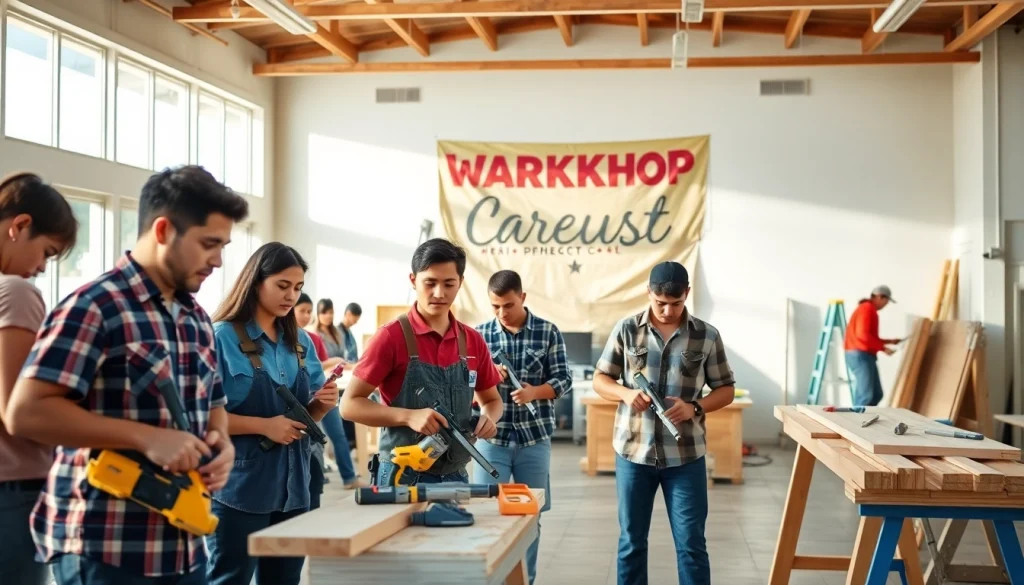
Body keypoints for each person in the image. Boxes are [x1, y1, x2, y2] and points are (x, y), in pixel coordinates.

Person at [6, 166, 247, 585]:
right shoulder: (94, 306)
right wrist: (145, 437)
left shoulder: (197, 321)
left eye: (223, 246)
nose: (218, 260)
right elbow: (25, 413)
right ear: (163, 230)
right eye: (208, 244)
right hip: (105, 546)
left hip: (185, 544)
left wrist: (222, 445)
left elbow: (215, 410)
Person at [592, 261, 736, 585]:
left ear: (687, 294)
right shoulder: (627, 329)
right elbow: (600, 379)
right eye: (660, 303)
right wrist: (626, 394)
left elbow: (726, 389)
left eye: (676, 303)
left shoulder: (707, 335)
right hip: (633, 454)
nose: (668, 311)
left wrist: (695, 407)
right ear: (648, 293)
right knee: (631, 543)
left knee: (691, 545)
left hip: (686, 458)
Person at [206, 242, 340, 585]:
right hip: (238, 490)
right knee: (229, 578)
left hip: (294, 489)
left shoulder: (301, 343)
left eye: (297, 287)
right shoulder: (221, 338)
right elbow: (201, 418)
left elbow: (302, 419)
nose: (291, 296)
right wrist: (264, 426)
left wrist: (322, 406)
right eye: (282, 285)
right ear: (255, 282)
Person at [340, 238, 504, 485]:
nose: (439, 293)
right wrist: (407, 417)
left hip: (455, 476)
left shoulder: (473, 341)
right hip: (400, 476)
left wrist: (488, 418)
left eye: (449, 284)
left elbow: (492, 400)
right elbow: (349, 405)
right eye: (430, 283)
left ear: (460, 283)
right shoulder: (390, 337)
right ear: (413, 280)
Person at [0, 173, 77, 585]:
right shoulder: (16, 291)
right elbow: (19, 412)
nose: (42, 267)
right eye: (47, 252)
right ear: (20, 225)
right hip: (13, 488)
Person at [473, 270, 572, 585]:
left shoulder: (547, 332)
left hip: (534, 439)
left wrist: (535, 392)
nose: (502, 313)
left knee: (530, 517)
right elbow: (465, 386)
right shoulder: (478, 335)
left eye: (509, 305)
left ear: (523, 298)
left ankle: (525, 580)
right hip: (492, 440)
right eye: (495, 306)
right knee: (488, 513)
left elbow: (564, 379)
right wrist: (488, 377)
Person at [295, 293, 361, 490]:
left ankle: (349, 477)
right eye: (302, 311)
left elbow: (319, 370)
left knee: (337, 434)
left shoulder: (313, 338)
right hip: (299, 397)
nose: (306, 315)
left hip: (324, 392)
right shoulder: (282, 339)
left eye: (309, 311)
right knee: (308, 441)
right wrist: (332, 362)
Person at [844, 285, 900, 407]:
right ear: (880, 297)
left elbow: (869, 337)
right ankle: (857, 418)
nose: (886, 305)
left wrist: (889, 341)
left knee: (876, 394)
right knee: (865, 396)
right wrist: (883, 348)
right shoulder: (867, 309)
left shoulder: (867, 309)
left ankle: (866, 416)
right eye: (886, 301)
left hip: (864, 354)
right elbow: (863, 336)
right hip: (860, 355)